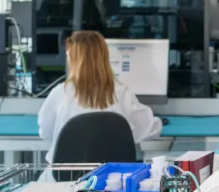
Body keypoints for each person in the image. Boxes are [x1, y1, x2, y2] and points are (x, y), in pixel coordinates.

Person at [37, 31, 162, 164]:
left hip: (65, 179)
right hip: (112, 179)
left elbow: (45, 132)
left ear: (72, 60)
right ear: (104, 57)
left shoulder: (60, 93)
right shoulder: (121, 93)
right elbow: (150, 129)